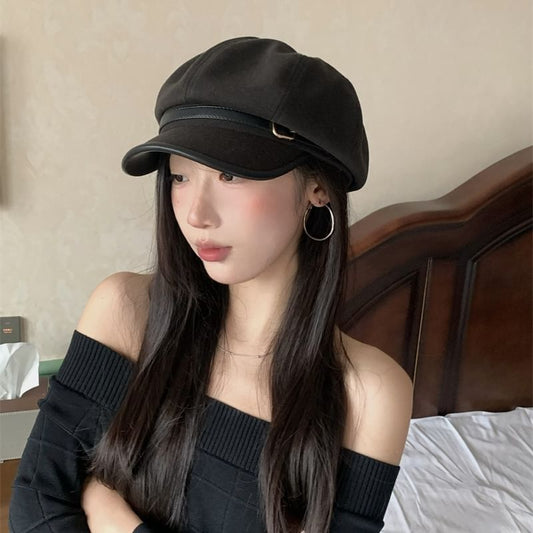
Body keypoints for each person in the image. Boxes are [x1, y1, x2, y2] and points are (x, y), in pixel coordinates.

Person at [9, 37, 413, 533]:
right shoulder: (126, 312)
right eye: (180, 177)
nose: (196, 214)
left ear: (318, 186)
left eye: (229, 175)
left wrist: (113, 516)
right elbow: (35, 506)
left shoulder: (369, 394)